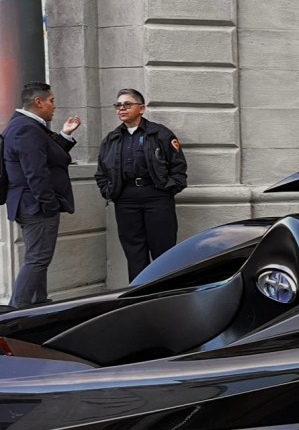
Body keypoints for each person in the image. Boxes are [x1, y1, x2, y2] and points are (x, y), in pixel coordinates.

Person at [95, 88, 187, 282]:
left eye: (127, 104)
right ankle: (138, 294)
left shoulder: (159, 134)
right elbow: (101, 171)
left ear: (141, 108)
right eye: (118, 105)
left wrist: (169, 188)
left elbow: (178, 166)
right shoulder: (111, 139)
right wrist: (108, 191)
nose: (122, 109)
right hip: (125, 199)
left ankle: (164, 293)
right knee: (134, 251)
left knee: (163, 250)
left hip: (156, 196)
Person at [3, 81, 81, 308]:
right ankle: (16, 313)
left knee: (38, 258)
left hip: (30, 203)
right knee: (37, 258)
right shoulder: (26, 128)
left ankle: (37, 306)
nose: (54, 106)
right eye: (51, 101)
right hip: (35, 205)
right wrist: (49, 204)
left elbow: (47, 156)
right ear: (38, 102)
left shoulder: (25, 125)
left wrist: (65, 136)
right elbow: (35, 172)